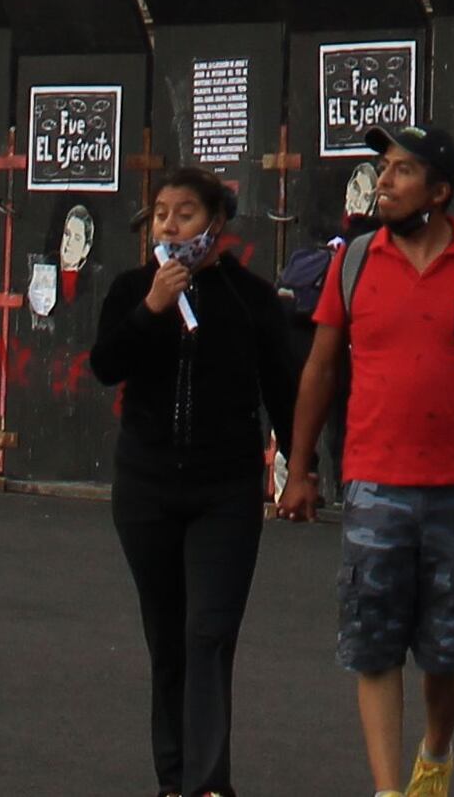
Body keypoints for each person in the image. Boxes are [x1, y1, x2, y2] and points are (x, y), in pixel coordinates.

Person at [276, 124, 454, 797]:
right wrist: (300, 465)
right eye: (382, 169)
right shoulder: (356, 259)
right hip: (372, 484)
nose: (384, 182)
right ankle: (389, 789)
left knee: (452, 648)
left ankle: (436, 752)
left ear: (440, 189)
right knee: (373, 640)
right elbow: (320, 366)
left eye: (400, 170)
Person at [90, 162, 300, 797]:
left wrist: (299, 466)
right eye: (161, 213)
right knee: (168, 637)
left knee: (209, 630)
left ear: (217, 223)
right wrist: (153, 308)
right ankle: (174, 778)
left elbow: (283, 390)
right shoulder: (132, 289)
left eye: (185, 213)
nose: (171, 224)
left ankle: (210, 783)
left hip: (225, 490)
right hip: (147, 485)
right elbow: (106, 365)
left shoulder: (250, 297)